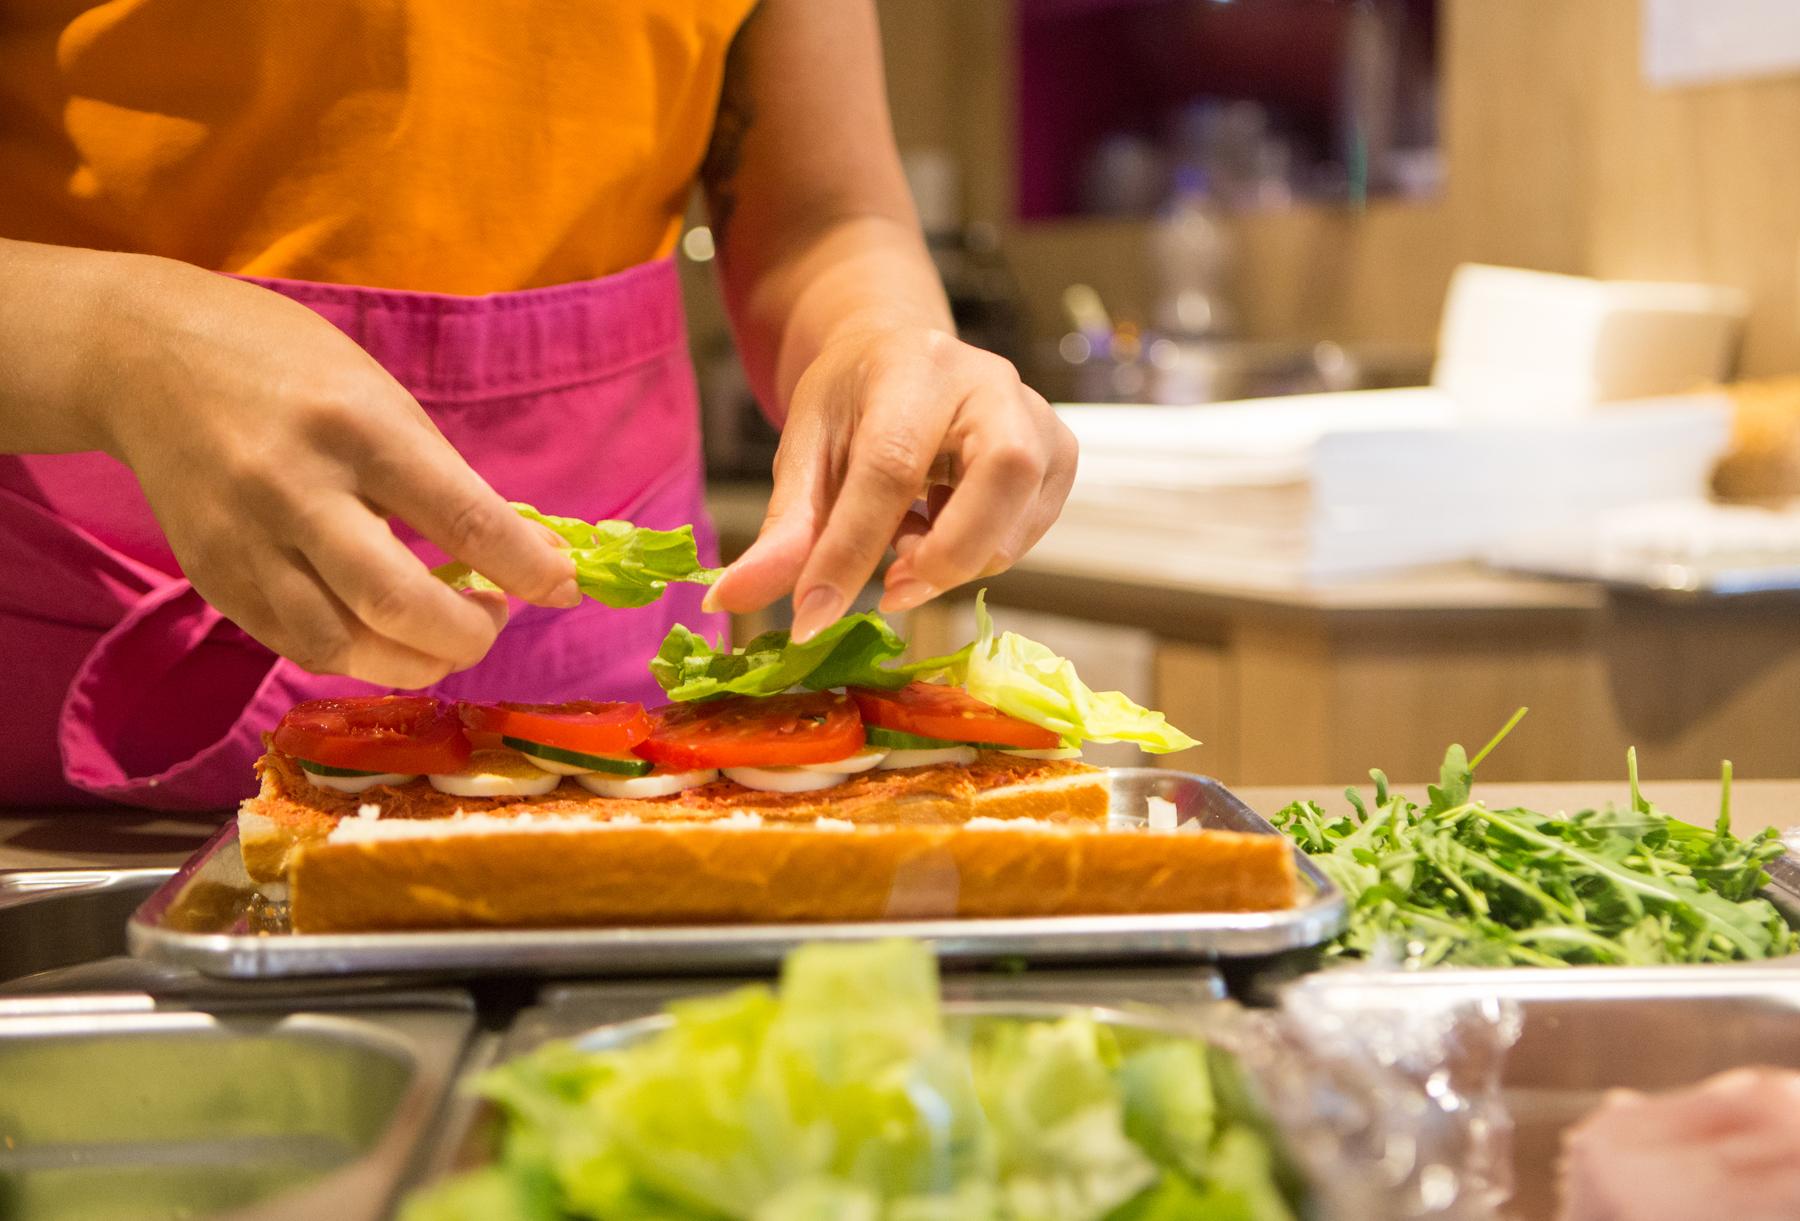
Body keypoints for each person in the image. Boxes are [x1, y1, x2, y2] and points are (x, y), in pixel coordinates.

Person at [0, 0, 1077, 809]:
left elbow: (821, 214)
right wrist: (125, 345)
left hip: (615, 716)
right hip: (66, 715)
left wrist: (880, 333)